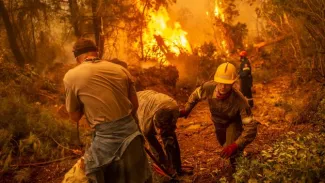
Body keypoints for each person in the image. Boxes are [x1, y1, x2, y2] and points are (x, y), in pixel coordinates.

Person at [63, 38, 151, 183]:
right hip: (132, 136)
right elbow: (134, 105)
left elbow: (75, 117)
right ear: (97, 52)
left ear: (78, 56)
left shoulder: (71, 76)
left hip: (105, 141)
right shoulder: (121, 70)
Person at [179, 62, 258, 169]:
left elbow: (251, 128)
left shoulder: (240, 101)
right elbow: (195, 95)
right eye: (220, 83)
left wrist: (236, 145)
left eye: (227, 84)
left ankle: (238, 171)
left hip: (233, 122)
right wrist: (187, 109)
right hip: (218, 123)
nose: (223, 87)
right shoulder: (208, 87)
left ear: (233, 83)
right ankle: (240, 153)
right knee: (224, 144)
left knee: (232, 150)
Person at [137, 90, 182, 176]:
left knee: (168, 138)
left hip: (160, 106)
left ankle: (173, 167)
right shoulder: (144, 121)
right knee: (159, 137)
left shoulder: (174, 109)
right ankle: (169, 166)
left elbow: (168, 130)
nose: (159, 132)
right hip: (169, 105)